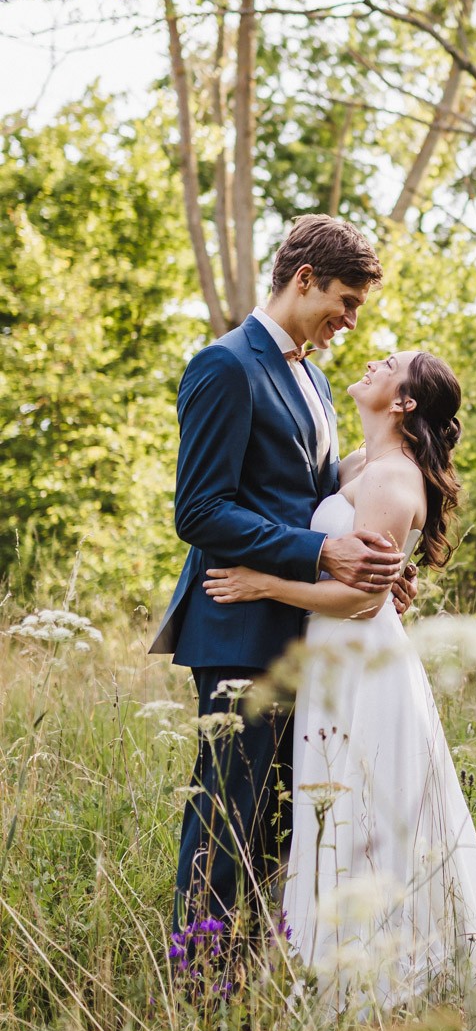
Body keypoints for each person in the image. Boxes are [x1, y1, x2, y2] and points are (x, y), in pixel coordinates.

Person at [202, 348, 476, 1031]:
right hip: (335, 662)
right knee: (337, 817)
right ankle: (342, 985)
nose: (373, 359)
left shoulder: (394, 479)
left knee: (369, 822)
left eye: (390, 362)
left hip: (364, 666)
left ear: (405, 403)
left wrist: (261, 585)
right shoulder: (360, 466)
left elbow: (361, 599)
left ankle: (389, 996)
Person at [152, 214, 412, 953]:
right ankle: (199, 980)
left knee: (282, 821)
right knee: (227, 814)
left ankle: (257, 972)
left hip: (304, 632)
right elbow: (201, 511)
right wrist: (324, 553)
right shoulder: (225, 365)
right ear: (304, 279)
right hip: (237, 626)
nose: (351, 321)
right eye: (346, 302)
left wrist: (377, 559)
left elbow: (310, 495)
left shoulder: (315, 379)